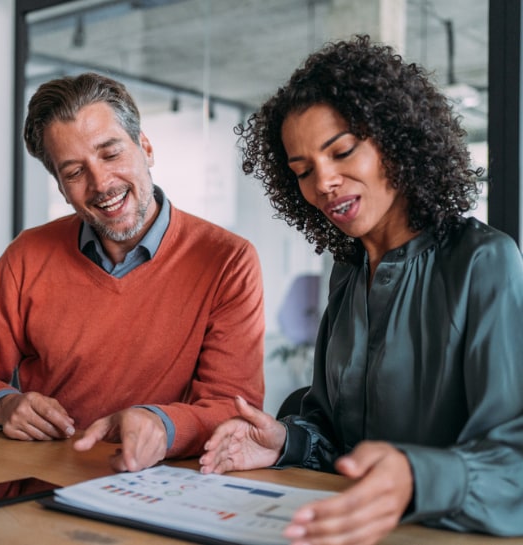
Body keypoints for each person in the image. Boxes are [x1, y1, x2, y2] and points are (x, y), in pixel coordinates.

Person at [199, 35, 523, 544]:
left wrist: (416, 477)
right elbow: (336, 435)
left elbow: (515, 465)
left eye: (342, 150)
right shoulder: (347, 271)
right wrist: (283, 442)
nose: (323, 182)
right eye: (302, 171)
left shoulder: (483, 261)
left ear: (396, 139)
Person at [0, 72, 265, 472]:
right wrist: (3, 405)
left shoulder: (228, 260)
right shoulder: (27, 255)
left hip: (159, 482)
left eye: (111, 154)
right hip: (37, 479)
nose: (101, 183)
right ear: (60, 186)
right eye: (74, 172)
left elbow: (234, 407)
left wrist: (162, 424)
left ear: (145, 147)